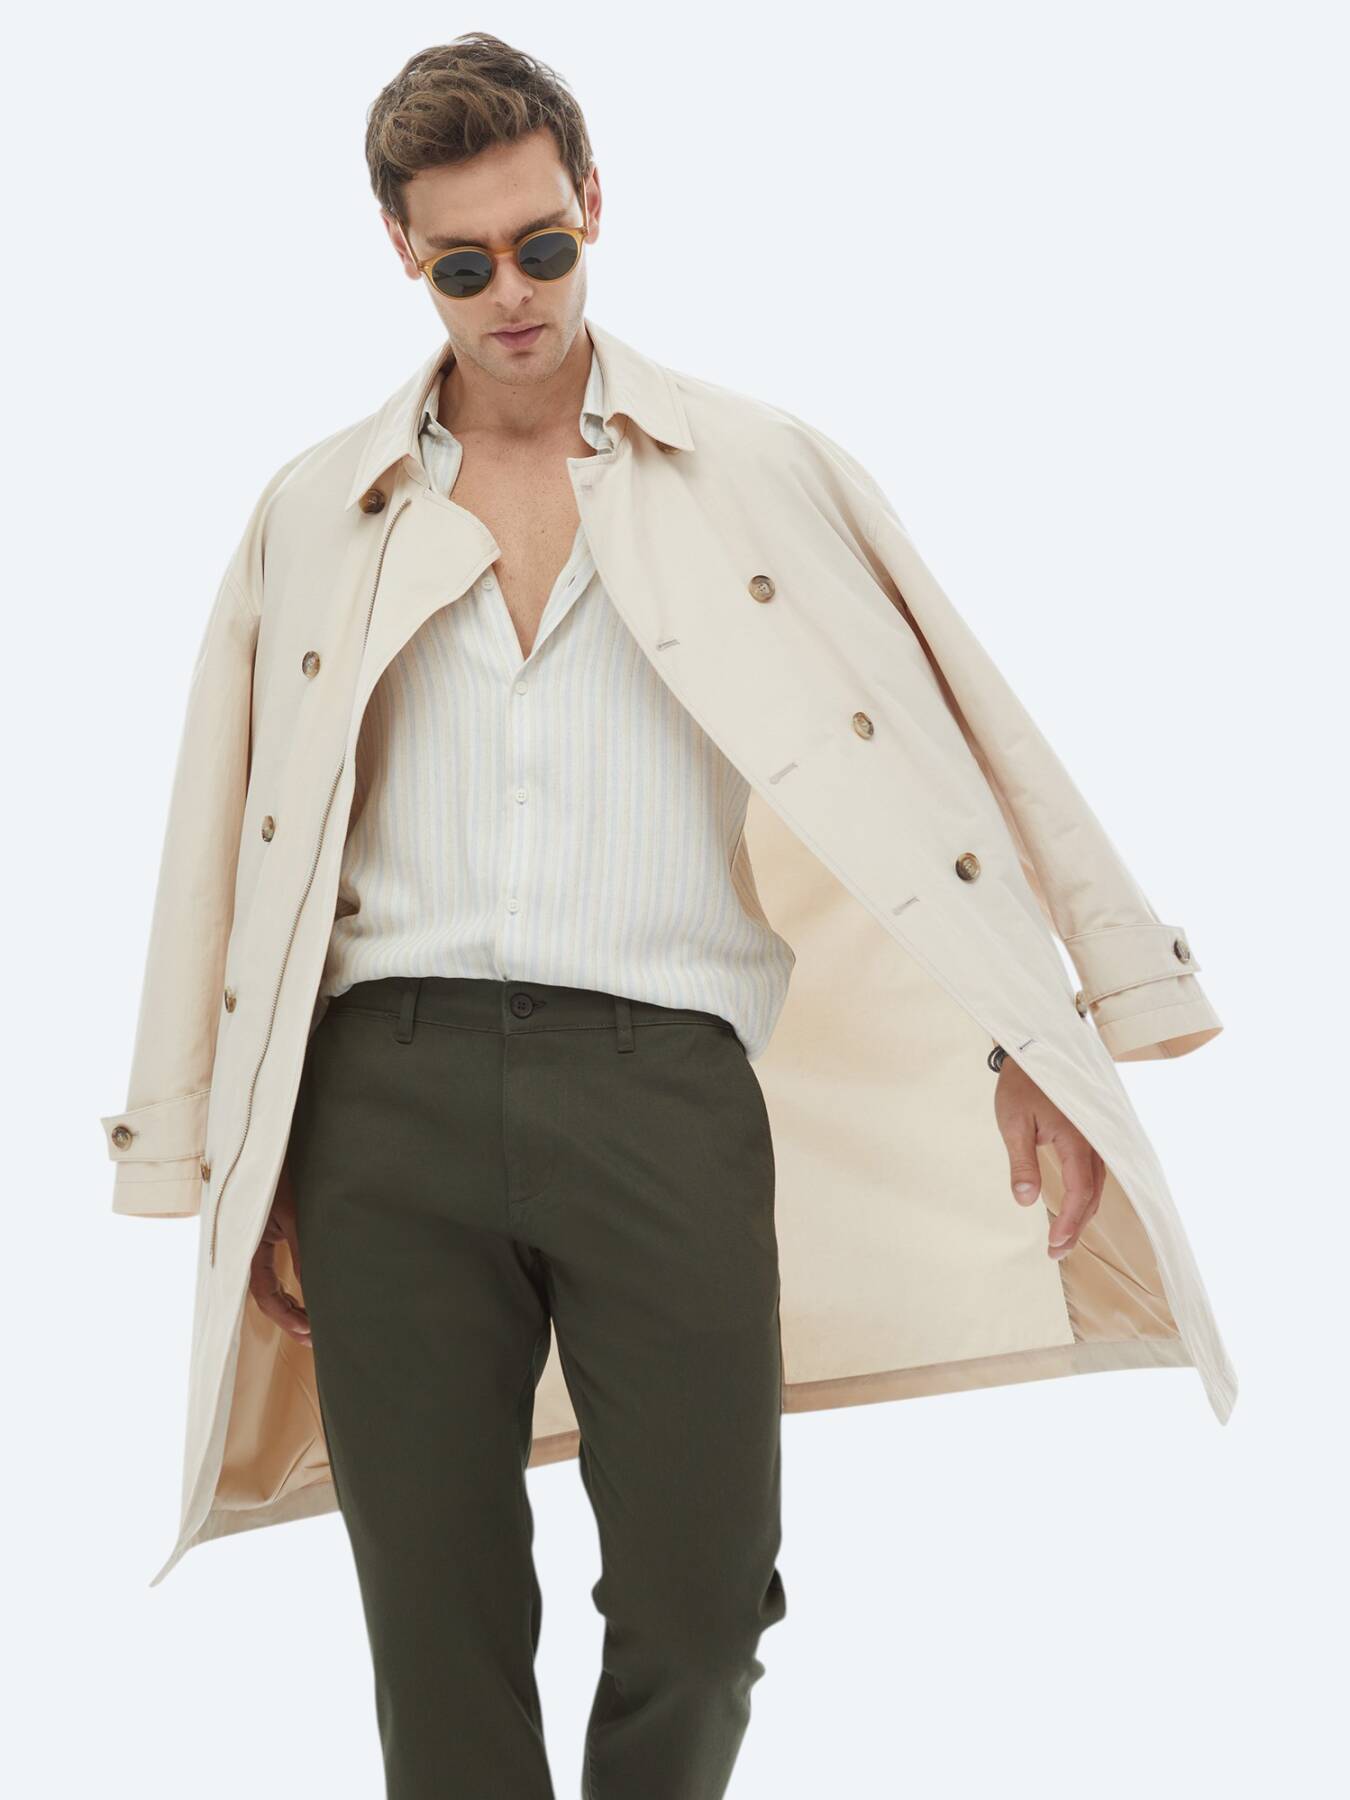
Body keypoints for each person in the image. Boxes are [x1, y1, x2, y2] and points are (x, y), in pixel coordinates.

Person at [101, 26, 1233, 1800]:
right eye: (464, 264)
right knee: (434, 1631)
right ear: (399, 249)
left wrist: (1041, 1033)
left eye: (542, 244)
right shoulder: (319, 511)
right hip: (380, 1101)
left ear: (593, 203)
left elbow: (950, 748)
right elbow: (217, 839)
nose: (513, 295)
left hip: (662, 1092)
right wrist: (222, 1148)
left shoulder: (756, 469)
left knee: (704, 1607)